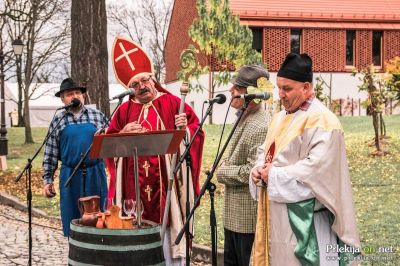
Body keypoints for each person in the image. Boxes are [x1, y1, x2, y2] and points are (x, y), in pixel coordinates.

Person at [249, 53, 361, 265]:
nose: (280, 94)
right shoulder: (279, 118)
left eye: (287, 88)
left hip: (306, 222)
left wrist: (272, 174)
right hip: (276, 217)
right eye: (279, 87)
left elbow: (317, 172)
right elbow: (265, 152)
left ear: (307, 88)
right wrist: (257, 169)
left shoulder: (323, 121)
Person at [106, 36, 204, 265]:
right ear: (130, 89)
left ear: (153, 78)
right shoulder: (123, 111)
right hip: (133, 188)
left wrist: (184, 131)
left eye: (144, 81)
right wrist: (122, 136)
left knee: (168, 229)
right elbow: (108, 145)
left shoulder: (172, 103)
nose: (141, 87)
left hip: (168, 185)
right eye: (135, 85)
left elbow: (196, 132)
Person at [216, 65, 270, 266]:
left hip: (246, 221)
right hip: (233, 217)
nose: (230, 91)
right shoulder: (244, 118)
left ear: (251, 94)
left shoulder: (261, 125)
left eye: (237, 88)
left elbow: (252, 171)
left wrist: (222, 172)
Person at [42, 78, 108, 236]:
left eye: (78, 93)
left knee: (99, 219)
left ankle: (99, 255)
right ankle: (77, 254)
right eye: (70, 94)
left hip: (95, 174)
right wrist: (47, 180)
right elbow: (50, 152)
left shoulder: (97, 116)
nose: (75, 96)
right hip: (70, 176)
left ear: (83, 96)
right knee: (72, 219)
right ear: (63, 99)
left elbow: (111, 144)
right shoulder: (58, 120)